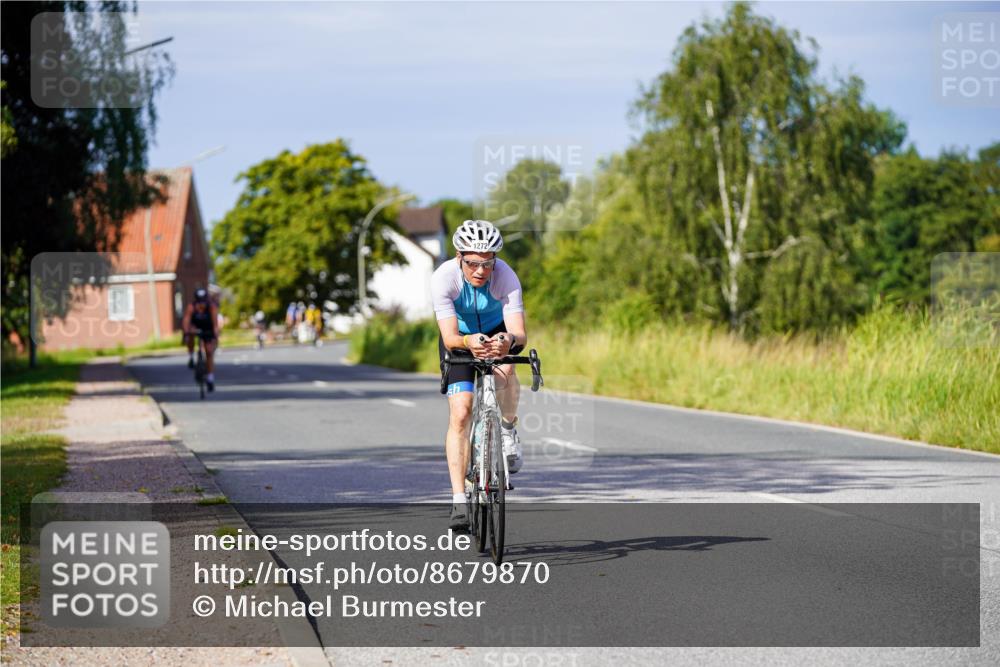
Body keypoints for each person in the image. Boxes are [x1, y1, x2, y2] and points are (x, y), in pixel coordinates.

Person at [431, 219, 527, 532]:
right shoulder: (444, 278)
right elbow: (449, 338)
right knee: (461, 412)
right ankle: (459, 498)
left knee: (506, 371)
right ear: (459, 257)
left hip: (497, 333)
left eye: (487, 264)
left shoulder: (506, 276)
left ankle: (508, 429)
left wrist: (507, 341)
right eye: (472, 263)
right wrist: (469, 341)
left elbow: (520, 333)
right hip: (460, 339)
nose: (480, 271)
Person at [182, 288, 220, 391]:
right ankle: (191, 356)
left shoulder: (211, 307)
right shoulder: (191, 307)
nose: (201, 305)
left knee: (209, 352)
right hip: (195, 326)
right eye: (199, 302)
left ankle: (210, 378)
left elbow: (215, 325)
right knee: (190, 335)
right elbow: (186, 321)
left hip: (208, 328)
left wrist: (216, 337)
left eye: (203, 302)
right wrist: (186, 333)